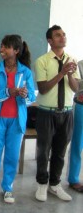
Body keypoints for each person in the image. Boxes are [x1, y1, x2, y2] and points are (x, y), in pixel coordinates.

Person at [0, 35, 36, 203]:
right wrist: (9, 92)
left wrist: (24, 95)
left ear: (16, 50)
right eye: (1, 46)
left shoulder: (26, 72)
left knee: (12, 156)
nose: (1, 49)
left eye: (5, 47)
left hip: (17, 121)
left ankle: (7, 188)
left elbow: (30, 100)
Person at [34, 25, 79, 202]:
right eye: (58, 35)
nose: (62, 37)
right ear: (50, 41)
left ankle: (55, 184)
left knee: (60, 152)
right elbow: (43, 89)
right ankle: (42, 185)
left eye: (64, 34)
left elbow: (76, 89)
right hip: (46, 113)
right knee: (43, 151)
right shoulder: (42, 61)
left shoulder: (71, 59)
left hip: (67, 113)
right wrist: (61, 72)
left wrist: (69, 75)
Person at [68, 59, 83, 193]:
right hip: (81, 107)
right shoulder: (80, 64)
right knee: (77, 144)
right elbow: (77, 86)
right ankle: (73, 179)